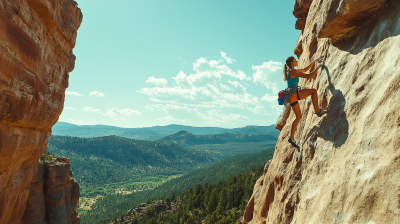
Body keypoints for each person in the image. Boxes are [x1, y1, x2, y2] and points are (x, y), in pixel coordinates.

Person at [283, 56, 327, 148]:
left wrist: (314, 61)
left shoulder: (291, 71)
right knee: (313, 91)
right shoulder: (292, 71)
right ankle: (318, 111)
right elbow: (308, 76)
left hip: (290, 97)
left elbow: (305, 69)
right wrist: (317, 68)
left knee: (298, 116)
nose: (297, 61)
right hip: (293, 94)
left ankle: (291, 138)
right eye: (295, 60)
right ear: (291, 63)